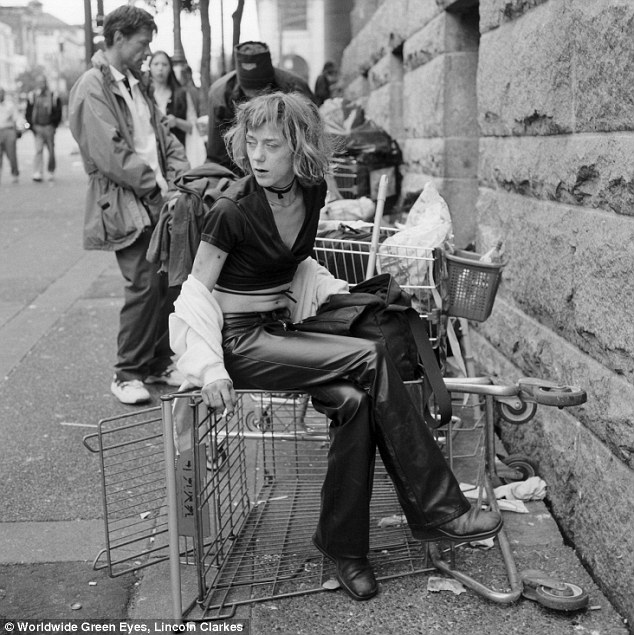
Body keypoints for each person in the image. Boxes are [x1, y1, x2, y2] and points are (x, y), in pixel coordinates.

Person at [170, 91, 502, 602]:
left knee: (354, 403)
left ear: (298, 147)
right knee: (369, 356)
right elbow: (195, 290)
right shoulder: (232, 210)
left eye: (272, 145)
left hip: (280, 331)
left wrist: (336, 293)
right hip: (238, 341)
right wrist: (210, 367)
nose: (258, 156)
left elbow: (294, 262)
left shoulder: (311, 190)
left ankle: (343, 549)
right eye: (251, 143)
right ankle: (442, 510)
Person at [69, 5, 190, 405]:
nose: (147, 52)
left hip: (156, 197)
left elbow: (162, 137)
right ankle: (126, 373)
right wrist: (159, 190)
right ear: (119, 37)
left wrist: (178, 176)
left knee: (164, 283)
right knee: (143, 285)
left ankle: (155, 363)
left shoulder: (135, 84)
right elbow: (110, 153)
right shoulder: (92, 86)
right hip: (130, 201)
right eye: (143, 43)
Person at [206, 41, 316, 171]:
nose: (255, 101)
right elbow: (216, 156)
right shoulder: (220, 94)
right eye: (249, 94)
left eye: (260, 93)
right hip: (236, 171)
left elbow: (312, 142)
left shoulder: (295, 88)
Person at [149, 51, 206, 168]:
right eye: (156, 64)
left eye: (164, 65)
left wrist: (176, 122)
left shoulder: (181, 94)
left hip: (178, 156)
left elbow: (192, 126)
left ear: (170, 68)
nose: (160, 68)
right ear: (149, 67)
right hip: (152, 156)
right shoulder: (144, 94)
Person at [25, 75, 62, 182]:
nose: (41, 84)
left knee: (51, 150)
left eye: (43, 82)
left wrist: (54, 125)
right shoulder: (32, 96)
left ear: (46, 83)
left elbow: (58, 112)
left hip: (49, 127)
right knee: (38, 150)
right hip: (37, 128)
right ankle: (38, 172)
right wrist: (32, 127)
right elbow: (28, 112)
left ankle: (51, 171)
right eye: (39, 82)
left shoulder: (53, 95)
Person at [0, 87, 20, 184]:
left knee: (11, 155)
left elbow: (15, 119)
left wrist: (15, 133)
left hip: (9, 130)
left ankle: (15, 173)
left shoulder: (10, 105)